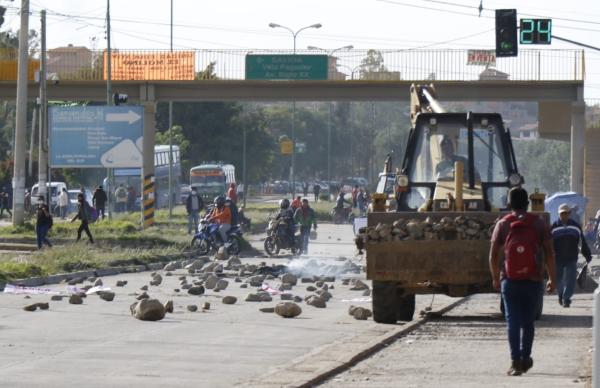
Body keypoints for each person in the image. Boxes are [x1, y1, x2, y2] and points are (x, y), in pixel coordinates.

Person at [489, 187, 556, 376]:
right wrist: (552, 279)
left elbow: (493, 255)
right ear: (527, 203)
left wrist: (495, 277)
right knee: (528, 322)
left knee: (512, 321)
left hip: (509, 281)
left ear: (509, 204)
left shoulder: (502, 224)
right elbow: (550, 253)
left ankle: (515, 361)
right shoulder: (538, 223)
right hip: (533, 280)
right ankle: (526, 359)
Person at [550, 203, 592, 308]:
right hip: (558, 258)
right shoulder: (553, 227)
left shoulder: (575, 226)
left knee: (571, 279)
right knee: (558, 279)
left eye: (566, 213)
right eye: (562, 213)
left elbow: (582, 242)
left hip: (572, 258)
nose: (564, 215)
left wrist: (587, 254)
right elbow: (548, 244)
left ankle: (566, 298)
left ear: (569, 214)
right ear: (559, 214)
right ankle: (560, 295)